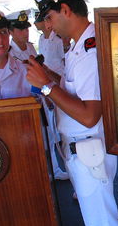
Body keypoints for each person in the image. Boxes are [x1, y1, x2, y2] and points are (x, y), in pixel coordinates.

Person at [26, 0, 118, 226]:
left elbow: (89, 115)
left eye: (49, 17)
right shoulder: (79, 45)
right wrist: (49, 76)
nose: (47, 25)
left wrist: (46, 85)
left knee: (101, 222)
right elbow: (75, 91)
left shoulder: (90, 50)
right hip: (83, 149)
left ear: (65, 10)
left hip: (89, 150)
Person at [35, 12, 69, 180]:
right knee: (51, 131)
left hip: (61, 87)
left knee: (64, 131)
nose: (35, 25)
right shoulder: (41, 40)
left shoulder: (59, 40)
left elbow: (66, 62)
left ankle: (69, 169)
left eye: (39, 20)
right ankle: (54, 169)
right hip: (46, 87)